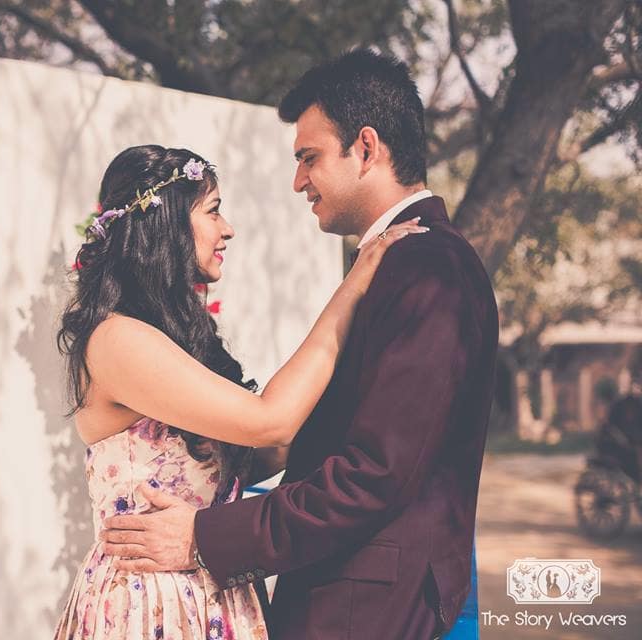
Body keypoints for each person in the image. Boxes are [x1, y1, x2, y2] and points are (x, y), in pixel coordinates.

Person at [102, 50, 500, 640]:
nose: (298, 182)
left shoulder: (426, 265)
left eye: (308, 158)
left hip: (370, 614)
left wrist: (203, 537)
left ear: (366, 148)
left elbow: (373, 475)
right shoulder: (393, 263)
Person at [52, 144, 426, 639]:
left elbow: (264, 451)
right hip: (152, 604)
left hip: (207, 588)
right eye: (212, 211)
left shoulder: (165, 337)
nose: (227, 228)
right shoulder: (118, 340)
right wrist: (353, 286)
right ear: (164, 225)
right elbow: (271, 420)